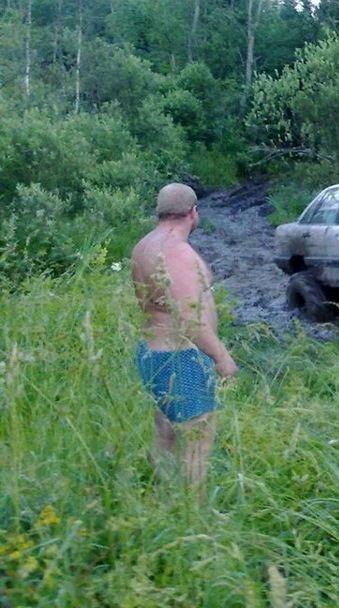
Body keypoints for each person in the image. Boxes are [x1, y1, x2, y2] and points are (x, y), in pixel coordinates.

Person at [131, 183, 238, 494]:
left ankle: (160, 501)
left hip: (152, 354)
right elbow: (189, 317)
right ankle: (194, 518)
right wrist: (221, 357)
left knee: (165, 434)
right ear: (193, 212)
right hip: (181, 358)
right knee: (197, 445)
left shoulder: (144, 245)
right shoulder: (177, 252)